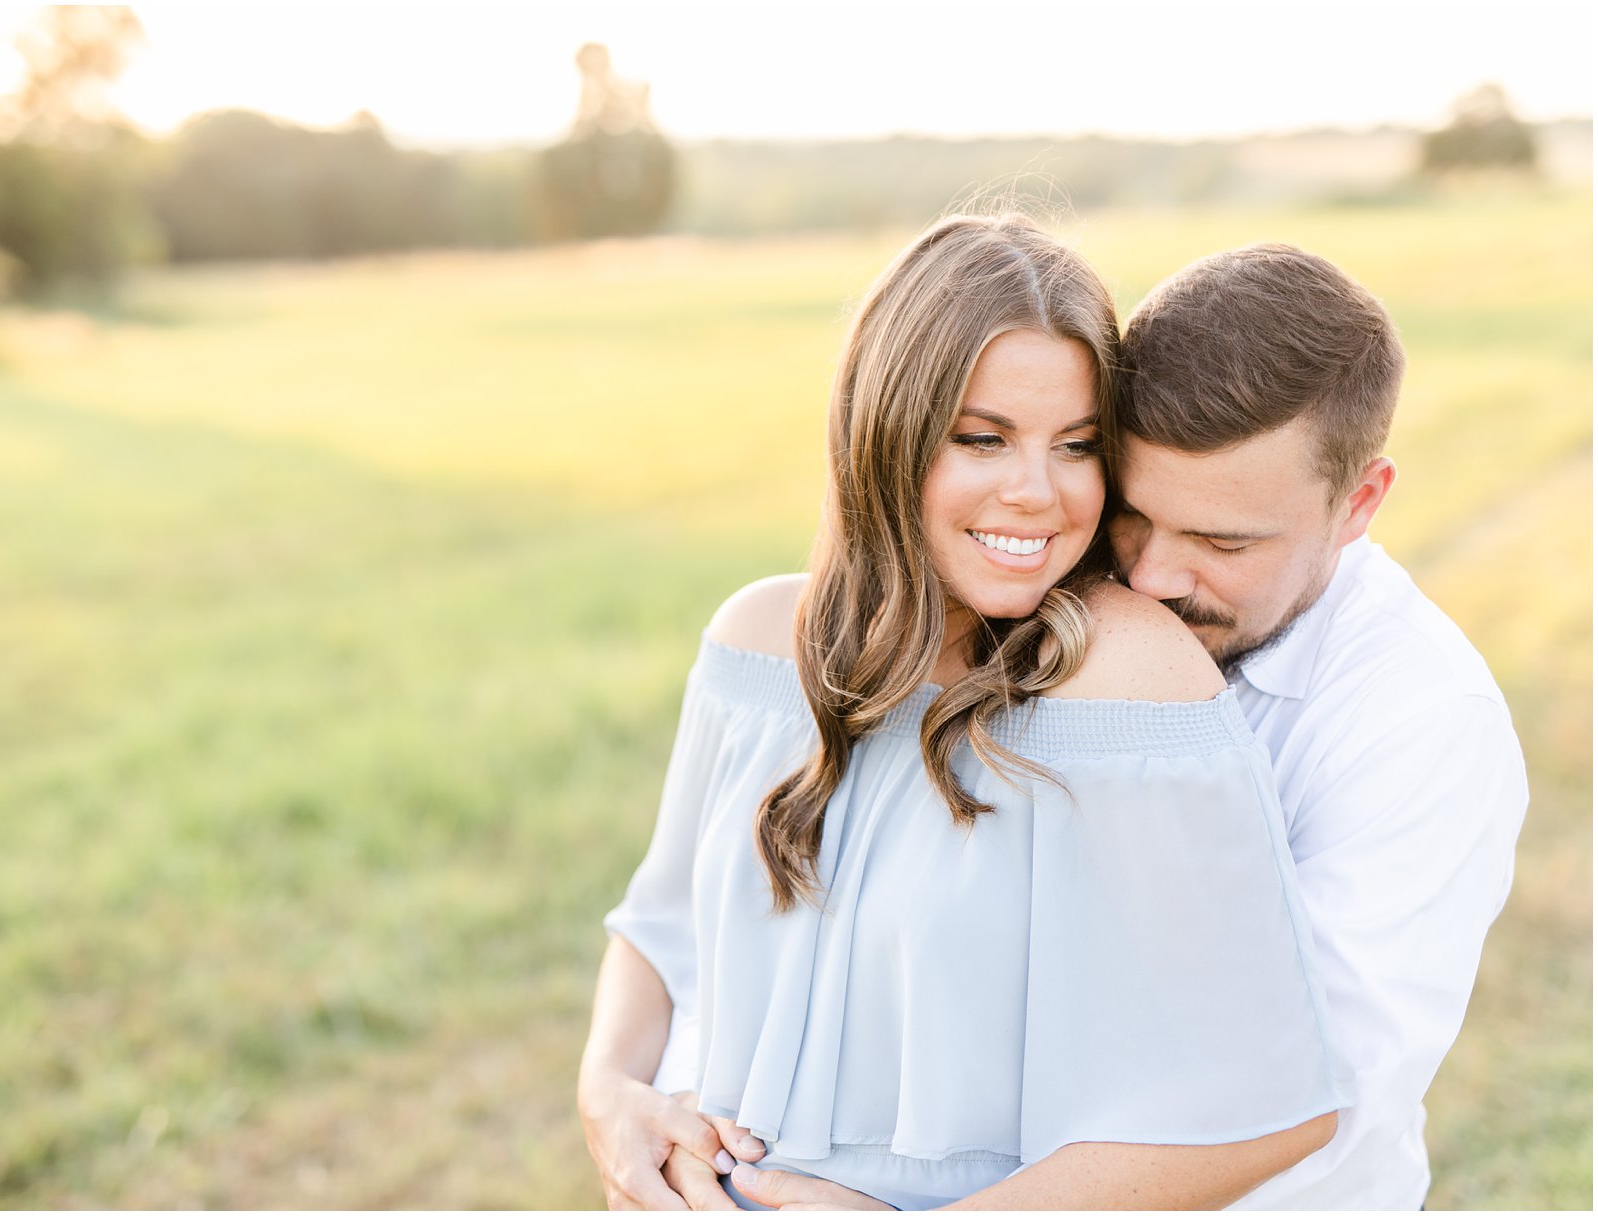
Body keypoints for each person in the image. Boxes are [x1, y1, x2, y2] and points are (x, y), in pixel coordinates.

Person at [577, 214, 1352, 1212]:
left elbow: (1268, 1106)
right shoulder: (756, 643)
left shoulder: (1125, 677)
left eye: (1075, 446)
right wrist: (609, 1092)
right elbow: (658, 926)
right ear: (885, 433)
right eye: (983, 438)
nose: (1037, 493)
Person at [1106, 243, 1528, 1209]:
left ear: (1359, 505)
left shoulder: (1423, 723)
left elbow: (1308, 1103)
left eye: (1223, 542)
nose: (1149, 579)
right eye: (1134, 516)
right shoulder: (1083, 587)